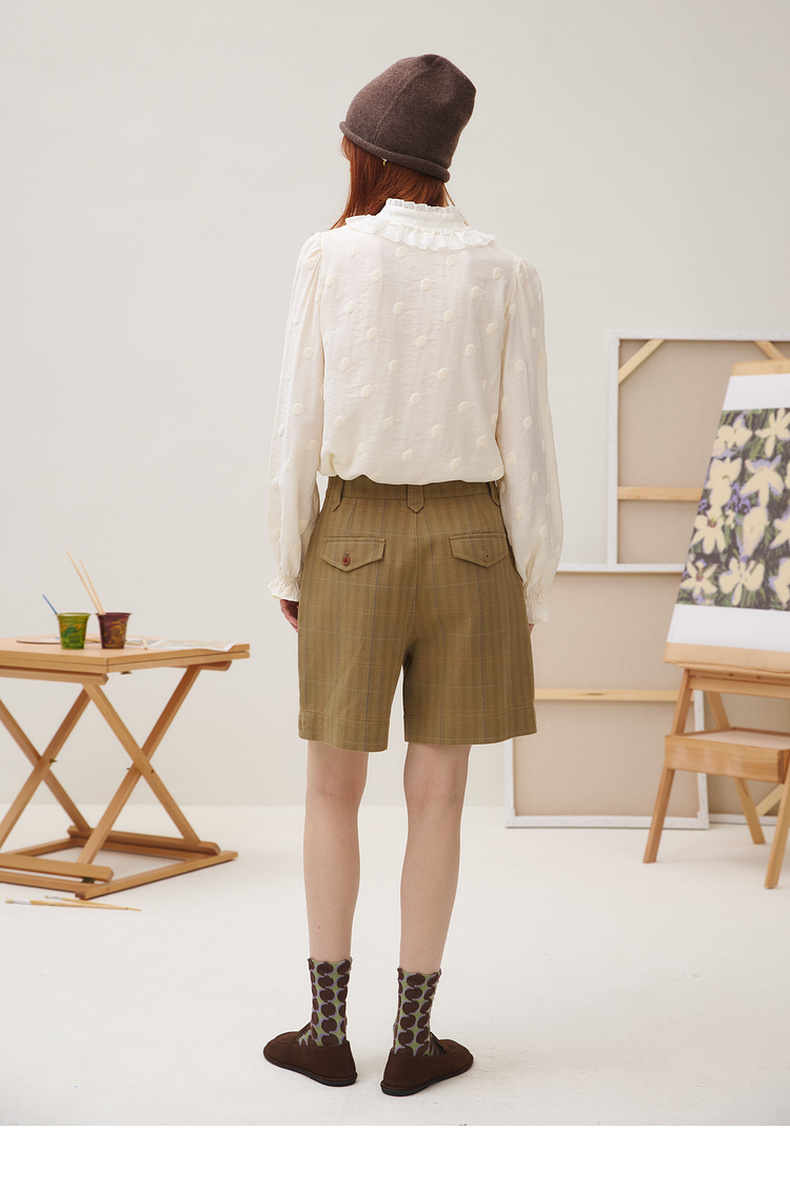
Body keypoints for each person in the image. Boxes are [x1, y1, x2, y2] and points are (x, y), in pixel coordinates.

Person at [264, 54, 562, 1096]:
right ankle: (415, 1041)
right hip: (476, 547)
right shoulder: (505, 270)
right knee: (440, 798)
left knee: (330, 787)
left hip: (353, 538)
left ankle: (326, 1032)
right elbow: (528, 445)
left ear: (367, 153)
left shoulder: (330, 256)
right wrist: (528, 586)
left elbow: (296, 427)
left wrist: (287, 560)